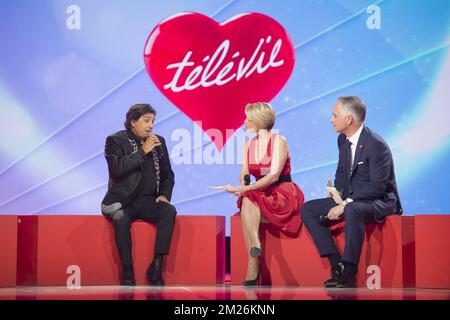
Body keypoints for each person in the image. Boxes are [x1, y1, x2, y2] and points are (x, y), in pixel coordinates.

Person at [301, 96, 402, 288]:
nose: (331, 119)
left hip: (377, 200)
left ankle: (348, 271)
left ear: (349, 119)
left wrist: (345, 203)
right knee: (308, 209)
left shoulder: (376, 145)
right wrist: (336, 193)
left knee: (352, 210)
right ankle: (336, 264)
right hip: (351, 199)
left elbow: (378, 187)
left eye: (334, 115)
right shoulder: (342, 140)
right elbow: (341, 172)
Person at [226, 102, 305, 286]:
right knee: (247, 199)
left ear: (259, 120)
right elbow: (244, 172)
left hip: (282, 192)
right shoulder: (248, 144)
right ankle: (255, 250)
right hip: (259, 192)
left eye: (248, 118)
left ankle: (253, 262)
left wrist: (245, 189)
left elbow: (273, 176)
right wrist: (243, 183)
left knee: (247, 196)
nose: (245, 121)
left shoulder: (279, 141)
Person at [101, 103, 176, 286]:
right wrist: (143, 151)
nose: (151, 126)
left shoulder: (159, 142)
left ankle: (156, 267)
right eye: (146, 121)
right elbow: (118, 169)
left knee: (169, 211)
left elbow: (168, 174)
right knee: (120, 218)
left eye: (152, 121)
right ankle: (128, 271)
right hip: (124, 202)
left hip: (150, 201)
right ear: (133, 121)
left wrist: (164, 195)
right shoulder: (115, 140)